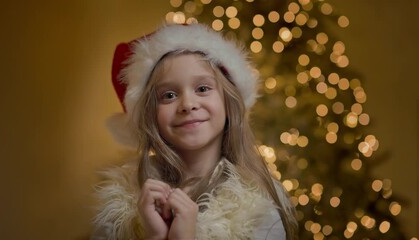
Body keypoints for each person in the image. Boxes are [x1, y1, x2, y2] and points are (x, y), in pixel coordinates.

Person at [92, 23, 298, 240]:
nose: (188, 104)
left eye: (202, 89)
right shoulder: (121, 204)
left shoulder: (258, 206)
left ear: (229, 102)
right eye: (169, 95)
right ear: (149, 116)